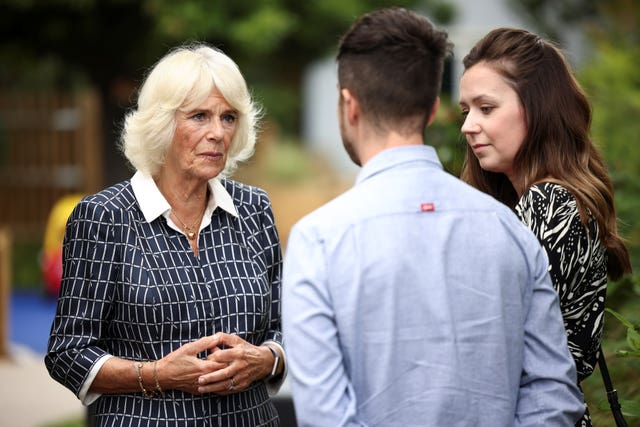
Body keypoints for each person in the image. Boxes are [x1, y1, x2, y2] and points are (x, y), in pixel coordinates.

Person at [282, 7, 584, 427]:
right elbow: (554, 394)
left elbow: (325, 416)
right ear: (429, 111)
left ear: (349, 105)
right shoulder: (509, 228)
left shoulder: (317, 240)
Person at [45, 43, 286, 426]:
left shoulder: (253, 208)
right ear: (162, 123)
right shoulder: (104, 217)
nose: (218, 133)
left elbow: (287, 325)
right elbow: (68, 353)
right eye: (199, 116)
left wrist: (267, 358)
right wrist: (157, 374)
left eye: (228, 117)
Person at [458, 28, 633, 426]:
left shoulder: (549, 205)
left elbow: (489, 343)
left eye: (486, 108)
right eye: (465, 110)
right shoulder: (542, 201)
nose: (468, 125)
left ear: (537, 109)